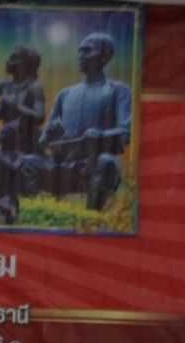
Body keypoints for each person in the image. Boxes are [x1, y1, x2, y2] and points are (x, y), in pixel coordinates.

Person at [40, 32, 131, 210]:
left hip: (94, 162)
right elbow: (43, 141)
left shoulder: (118, 90)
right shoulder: (65, 94)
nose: (81, 56)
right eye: (80, 51)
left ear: (105, 56)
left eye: (87, 51)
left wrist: (101, 135)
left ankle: (92, 217)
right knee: (26, 163)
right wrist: (49, 134)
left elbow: (125, 134)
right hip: (62, 163)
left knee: (105, 162)